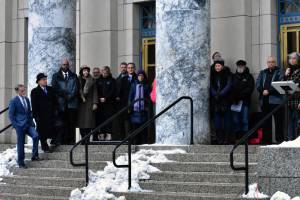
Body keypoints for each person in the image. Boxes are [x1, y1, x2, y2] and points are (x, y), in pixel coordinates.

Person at [8, 84, 41, 168]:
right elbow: (11, 115)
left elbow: (29, 112)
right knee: (21, 144)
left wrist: (32, 123)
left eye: (24, 90)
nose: (23, 92)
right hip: (19, 126)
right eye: (21, 91)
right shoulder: (13, 101)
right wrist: (16, 125)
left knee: (36, 136)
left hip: (28, 124)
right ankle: (21, 162)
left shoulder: (27, 99)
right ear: (17, 91)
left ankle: (34, 156)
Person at [256, 56, 284, 144]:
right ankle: (266, 140)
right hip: (264, 101)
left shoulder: (279, 71)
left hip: (276, 101)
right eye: (269, 62)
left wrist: (269, 91)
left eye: (272, 62)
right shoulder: (263, 72)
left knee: (278, 121)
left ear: (275, 63)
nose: (270, 63)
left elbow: (280, 83)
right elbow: (258, 84)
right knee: (265, 121)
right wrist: (262, 90)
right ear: (267, 63)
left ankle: (279, 140)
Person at [51, 58, 79, 145]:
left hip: (71, 103)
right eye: (63, 64)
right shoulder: (56, 76)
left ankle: (71, 140)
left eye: (66, 64)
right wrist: (64, 96)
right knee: (61, 123)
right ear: (61, 65)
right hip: (61, 104)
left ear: (68, 65)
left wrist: (70, 96)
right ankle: (61, 140)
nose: (65, 66)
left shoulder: (74, 76)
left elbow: (76, 88)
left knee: (71, 122)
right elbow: (55, 88)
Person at [31, 73, 57, 152]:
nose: (45, 81)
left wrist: (55, 110)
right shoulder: (35, 91)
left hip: (51, 114)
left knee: (54, 128)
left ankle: (53, 142)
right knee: (42, 131)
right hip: (41, 116)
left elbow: (55, 101)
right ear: (38, 81)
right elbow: (34, 104)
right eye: (43, 79)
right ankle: (44, 146)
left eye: (46, 79)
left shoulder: (50, 89)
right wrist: (36, 116)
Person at [230, 60, 254, 142]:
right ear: (237, 67)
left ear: (245, 66)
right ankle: (237, 137)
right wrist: (234, 97)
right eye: (239, 66)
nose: (240, 67)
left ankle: (245, 138)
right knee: (235, 120)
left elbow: (250, 89)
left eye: (242, 66)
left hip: (245, 102)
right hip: (234, 102)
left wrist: (240, 96)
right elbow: (231, 88)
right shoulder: (233, 76)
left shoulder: (249, 77)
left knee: (245, 120)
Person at [210, 59, 232, 145]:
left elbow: (229, 85)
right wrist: (215, 94)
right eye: (216, 66)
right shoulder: (212, 75)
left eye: (219, 66)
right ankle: (219, 139)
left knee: (227, 121)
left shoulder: (228, 74)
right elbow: (211, 86)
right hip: (216, 102)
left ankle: (226, 139)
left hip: (225, 101)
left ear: (222, 66)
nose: (217, 67)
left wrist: (221, 94)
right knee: (217, 122)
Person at [115, 62, 137, 139]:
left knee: (134, 122)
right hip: (125, 104)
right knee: (125, 121)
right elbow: (120, 92)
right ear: (127, 69)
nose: (130, 69)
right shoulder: (123, 79)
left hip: (135, 103)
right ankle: (125, 138)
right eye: (129, 68)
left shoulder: (138, 78)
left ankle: (134, 139)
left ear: (134, 69)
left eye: (132, 68)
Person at [129, 70, 150, 145]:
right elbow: (131, 96)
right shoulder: (133, 85)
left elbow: (148, 97)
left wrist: (147, 106)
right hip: (135, 109)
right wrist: (129, 106)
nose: (140, 77)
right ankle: (135, 142)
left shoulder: (147, 85)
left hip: (143, 109)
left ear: (144, 77)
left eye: (142, 76)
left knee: (143, 127)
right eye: (139, 76)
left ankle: (143, 142)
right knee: (135, 126)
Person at [77, 66, 98, 143]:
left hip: (89, 103)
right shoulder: (78, 80)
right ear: (81, 71)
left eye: (87, 71)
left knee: (89, 123)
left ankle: (87, 140)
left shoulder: (92, 80)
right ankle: (83, 139)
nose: (86, 72)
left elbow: (95, 92)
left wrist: (95, 103)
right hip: (80, 104)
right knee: (81, 124)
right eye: (84, 71)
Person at [283, 52, 300, 140]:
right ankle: (290, 140)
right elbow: (282, 84)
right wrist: (285, 75)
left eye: (294, 58)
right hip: (288, 100)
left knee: (297, 122)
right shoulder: (288, 71)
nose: (292, 60)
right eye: (290, 58)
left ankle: (297, 141)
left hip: (297, 100)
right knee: (289, 122)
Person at [96, 66, 116, 141]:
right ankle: (101, 134)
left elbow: (113, 91)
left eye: (106, 72)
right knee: (101, 119)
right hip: (100, 104)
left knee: (109, 119)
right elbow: (96, 91)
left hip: (109, 103)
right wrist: (100, 98)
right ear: (101, 72)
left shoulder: (112, 80)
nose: (105, 73)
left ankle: (108, 134)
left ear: (108, 72)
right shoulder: (98, 80)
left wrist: (106, 98)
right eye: (103, 72)